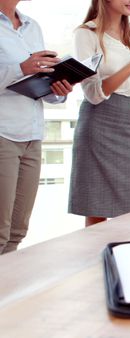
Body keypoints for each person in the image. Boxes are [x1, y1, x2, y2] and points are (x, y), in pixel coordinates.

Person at [68, 0, 130, 226]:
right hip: (99, 123)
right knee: (96, 211)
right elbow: (93, 93)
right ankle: (97, 262)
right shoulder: (86, 34)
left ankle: (127, 260)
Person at [0, 0, 73, 254]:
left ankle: (7, 291)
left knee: (17, 231)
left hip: (32, 133)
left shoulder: (33, 27)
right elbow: (24, 70)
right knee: (0, 231)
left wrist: (58, 89)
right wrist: (20, 68)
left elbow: (37, 78)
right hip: (3, 133)